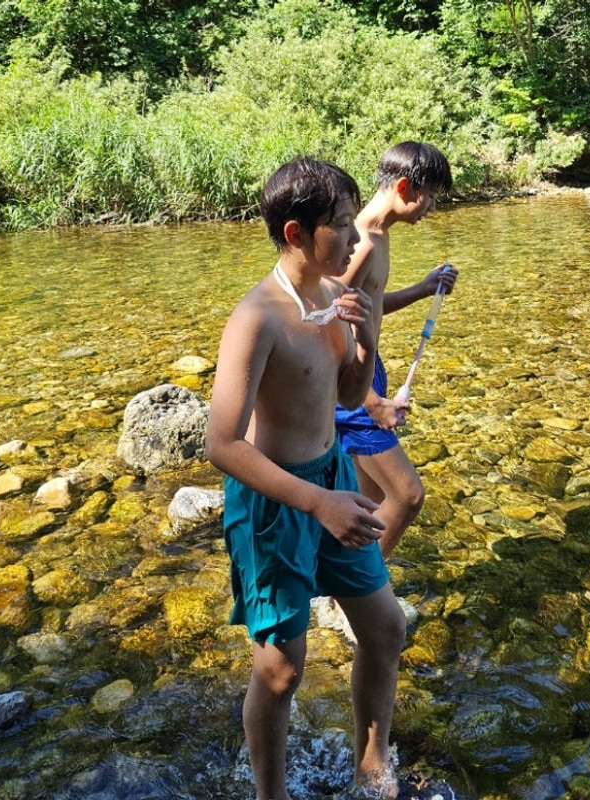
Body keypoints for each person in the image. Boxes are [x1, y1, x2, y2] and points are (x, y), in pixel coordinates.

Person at [206, 156, 408, 800]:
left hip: (331, 478)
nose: (355, 241)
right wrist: (317, 501)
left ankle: (371, 761)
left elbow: (347, 398)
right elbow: (222, 444)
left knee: (385, 628)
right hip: (278, 500)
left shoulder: (327, 296)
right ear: (297, 234)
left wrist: (366, 343)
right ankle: (272, 795)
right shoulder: (257, 317)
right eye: (342, 227)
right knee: (281, 672)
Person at [335, 141, 458, 560]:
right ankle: (357, 593)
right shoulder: (363, 241)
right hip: (353, 383)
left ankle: (344, 591)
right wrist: (371, 403)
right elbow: (328, 326)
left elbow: (367, 305)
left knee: (367, 504)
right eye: (431, 197)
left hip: (368, 371)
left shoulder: (378, 235)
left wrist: (423, 289)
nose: (432, 208)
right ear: (405, 188)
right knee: (407, 497)